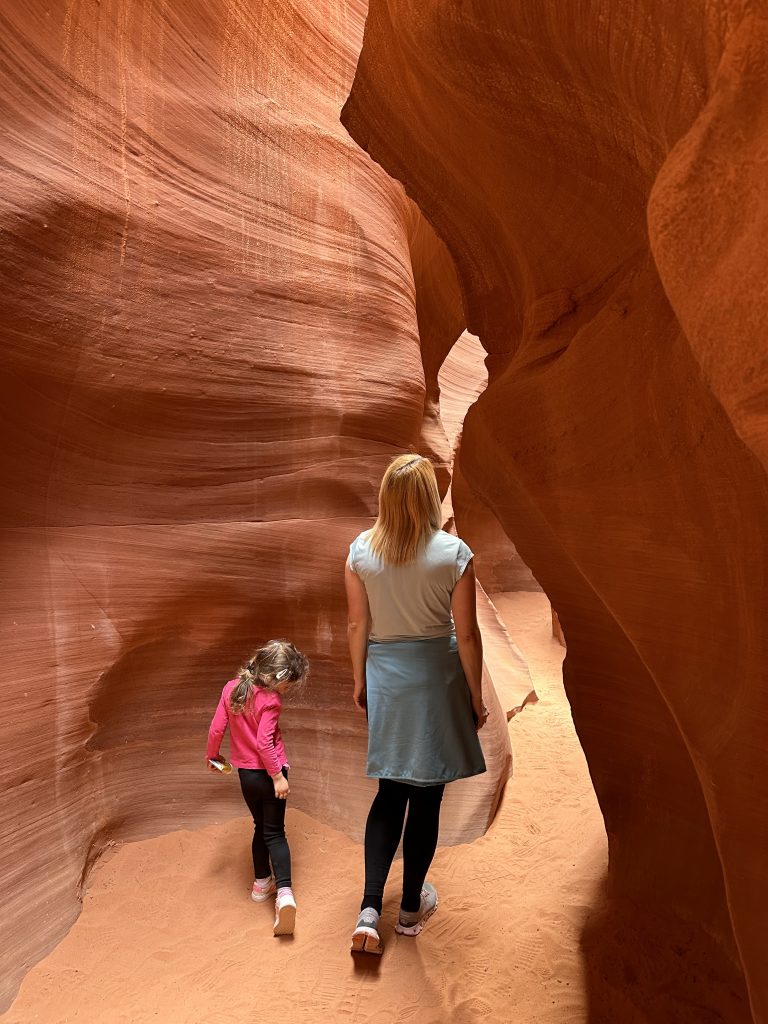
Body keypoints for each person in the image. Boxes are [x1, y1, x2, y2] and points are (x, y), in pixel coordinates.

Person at [345, 453, 488, 954]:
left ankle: (367, 911)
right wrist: (475, 695)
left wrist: (359, 678)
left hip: (388, 678)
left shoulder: (362, 551)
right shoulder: (454, 553)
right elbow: (466, 636)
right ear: (430, 498)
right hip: (436, 680)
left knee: (390, 791)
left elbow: (358, 625)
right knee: (426, 796)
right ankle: (409, 908)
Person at [206, 639, 309, 936]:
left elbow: (216, 728)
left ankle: (261, 884)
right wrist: (277, 776)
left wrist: (213, 756)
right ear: (276, 677)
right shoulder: (271, 700)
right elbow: (265, 743)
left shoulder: (231, 689)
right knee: (275, 832)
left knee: (259, 826)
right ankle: (285, 894)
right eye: (288, 683)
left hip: (246, 776)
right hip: (269, 773)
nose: (287, 689)